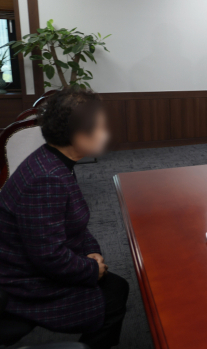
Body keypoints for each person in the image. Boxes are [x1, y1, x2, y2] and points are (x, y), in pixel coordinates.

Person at [0, 89, 129, 349]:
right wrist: (91, 269)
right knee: (114, 296)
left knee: (116, 287)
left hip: (36, 265)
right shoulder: (46, 179)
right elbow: (48, 256)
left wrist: (92, 251)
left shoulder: (54, 161)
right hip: (24, 284)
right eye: (101, 127)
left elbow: (73, 224)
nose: (106, 134)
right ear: (79, 135)